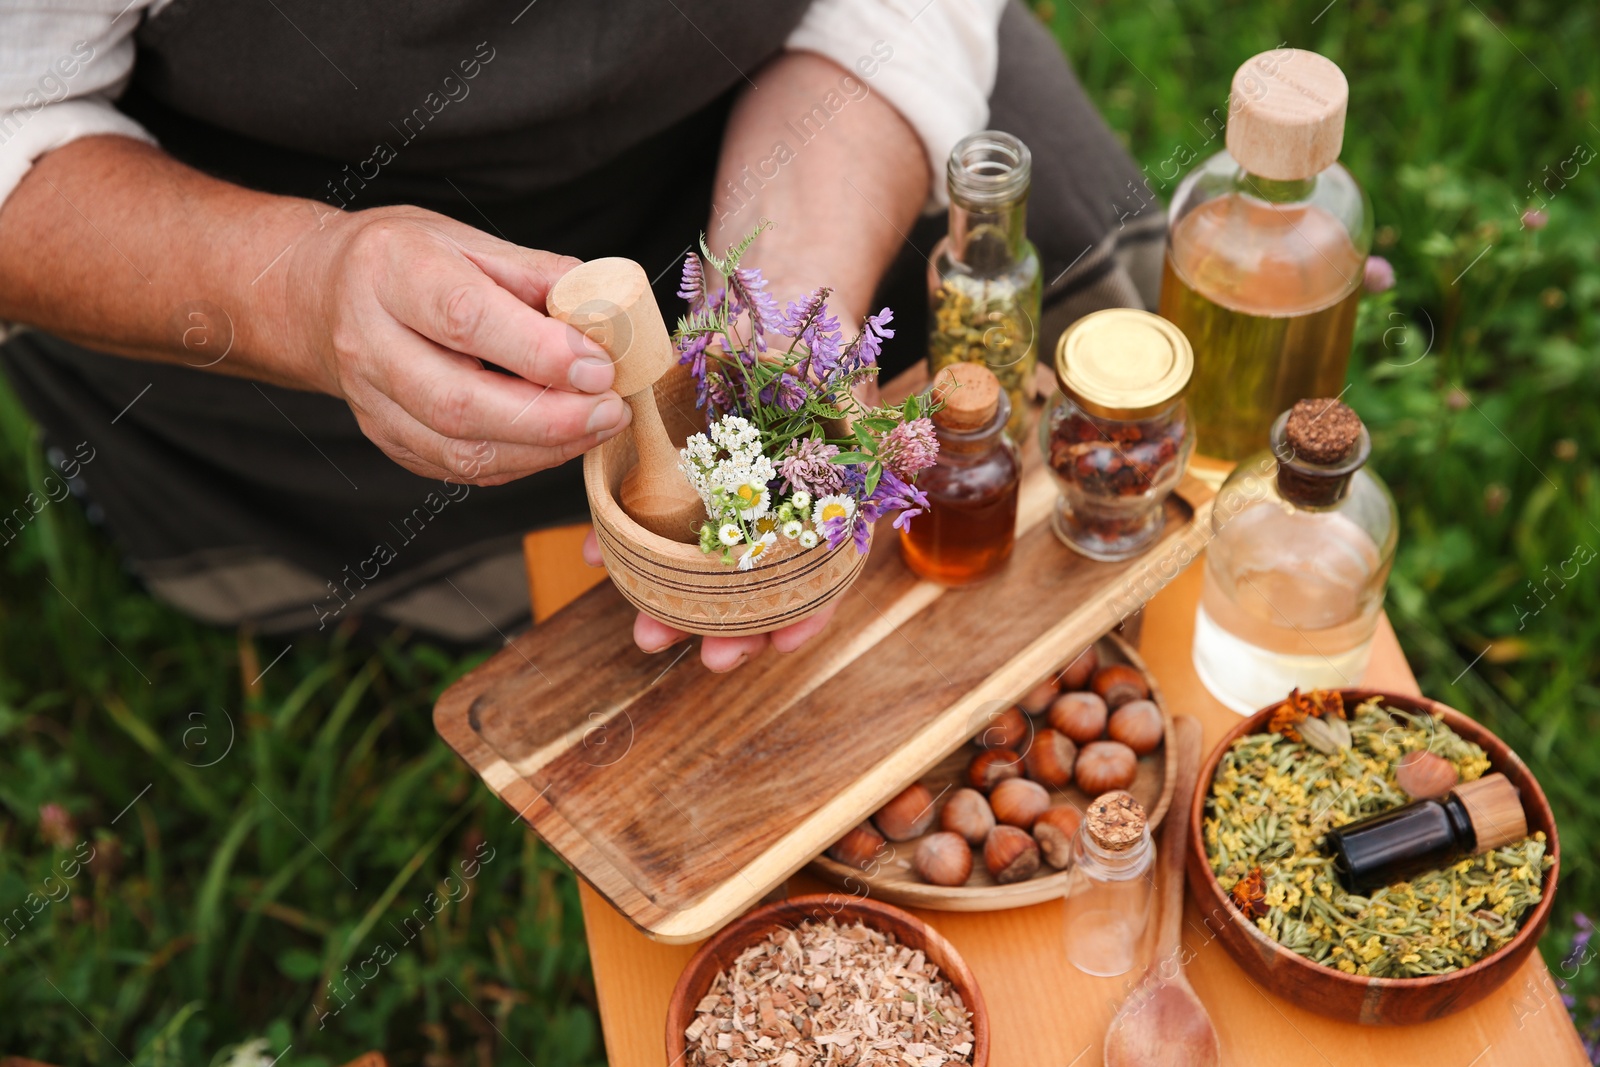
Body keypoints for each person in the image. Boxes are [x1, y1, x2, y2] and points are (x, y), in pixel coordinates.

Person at [0, 0, 1161, 671]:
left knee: (1109, 387)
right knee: (511, 612)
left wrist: (791, 291)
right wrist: (306, 289)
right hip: (286, 231)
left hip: (763, 124)